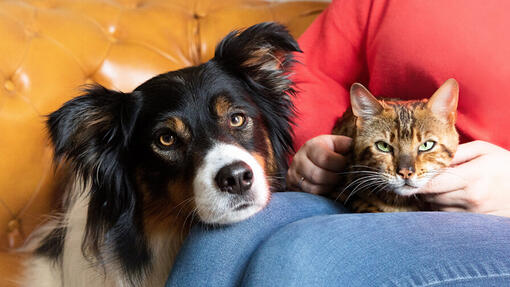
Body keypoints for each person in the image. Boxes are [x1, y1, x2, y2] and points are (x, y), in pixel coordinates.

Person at [166, 0, 510, 285]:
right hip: (366, 183)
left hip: (498, 219)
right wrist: (314, 149)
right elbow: (314, 75)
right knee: (219, 244)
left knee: (297, 260)